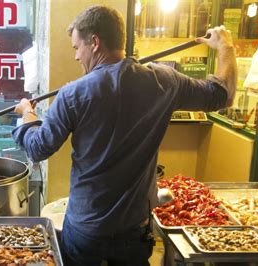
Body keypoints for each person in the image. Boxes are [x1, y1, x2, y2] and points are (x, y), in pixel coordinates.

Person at [12, 5, 236, 266]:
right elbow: (222, 95)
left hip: (87, 232)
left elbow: (38, 148)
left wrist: (27, 114)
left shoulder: (73, 94)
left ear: (94, 42)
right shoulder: (164, 81)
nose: (76, 57)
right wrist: (225, 47)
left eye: (77, 48)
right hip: (134, 231)